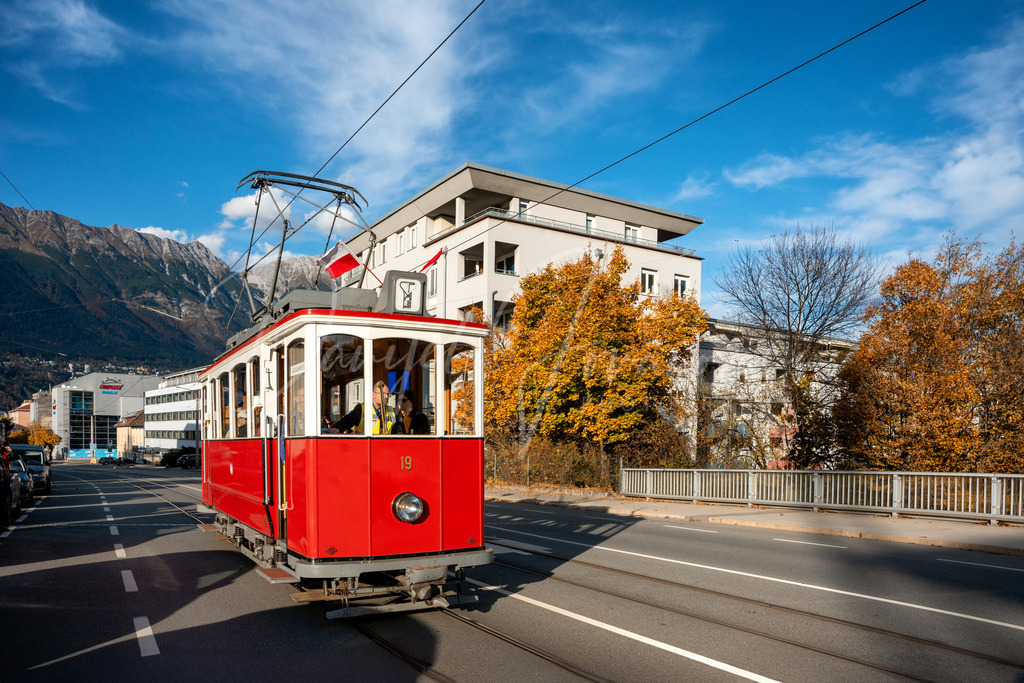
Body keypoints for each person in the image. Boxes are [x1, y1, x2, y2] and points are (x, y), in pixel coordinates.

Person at [330, 381, 400, 434]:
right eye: (383, 394)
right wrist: (337, 428)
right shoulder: (362, 409)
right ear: (373, 394)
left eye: (388, 394)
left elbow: (396, 432)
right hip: (364, 448)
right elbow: (347, 420)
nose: (386, 397)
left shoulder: (391, 411)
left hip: (385, 449)